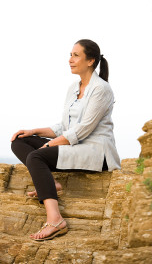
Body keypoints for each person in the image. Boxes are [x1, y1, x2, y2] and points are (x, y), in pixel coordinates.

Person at [11, 39, 121, 241]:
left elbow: (83, 129)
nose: (70, 59)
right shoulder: (73, 88)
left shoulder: (101, 89)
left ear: (90, 61)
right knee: (19, 141)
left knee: (36, 157)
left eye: (75, 55)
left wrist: (49, 144)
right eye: (70, 54)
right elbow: (64, 127)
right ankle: (50, 183)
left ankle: (55, 220)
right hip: (76, 145)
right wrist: (34, 131)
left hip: (96, 151)